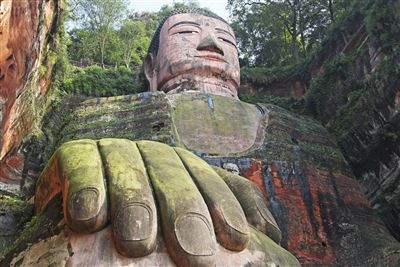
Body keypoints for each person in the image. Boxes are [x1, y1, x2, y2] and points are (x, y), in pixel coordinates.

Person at [29, 8, 300, 267]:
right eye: (185, 33)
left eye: (226, 39)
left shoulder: (295, 129)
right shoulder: (105, 112)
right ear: (151, 67)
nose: (211, 43)